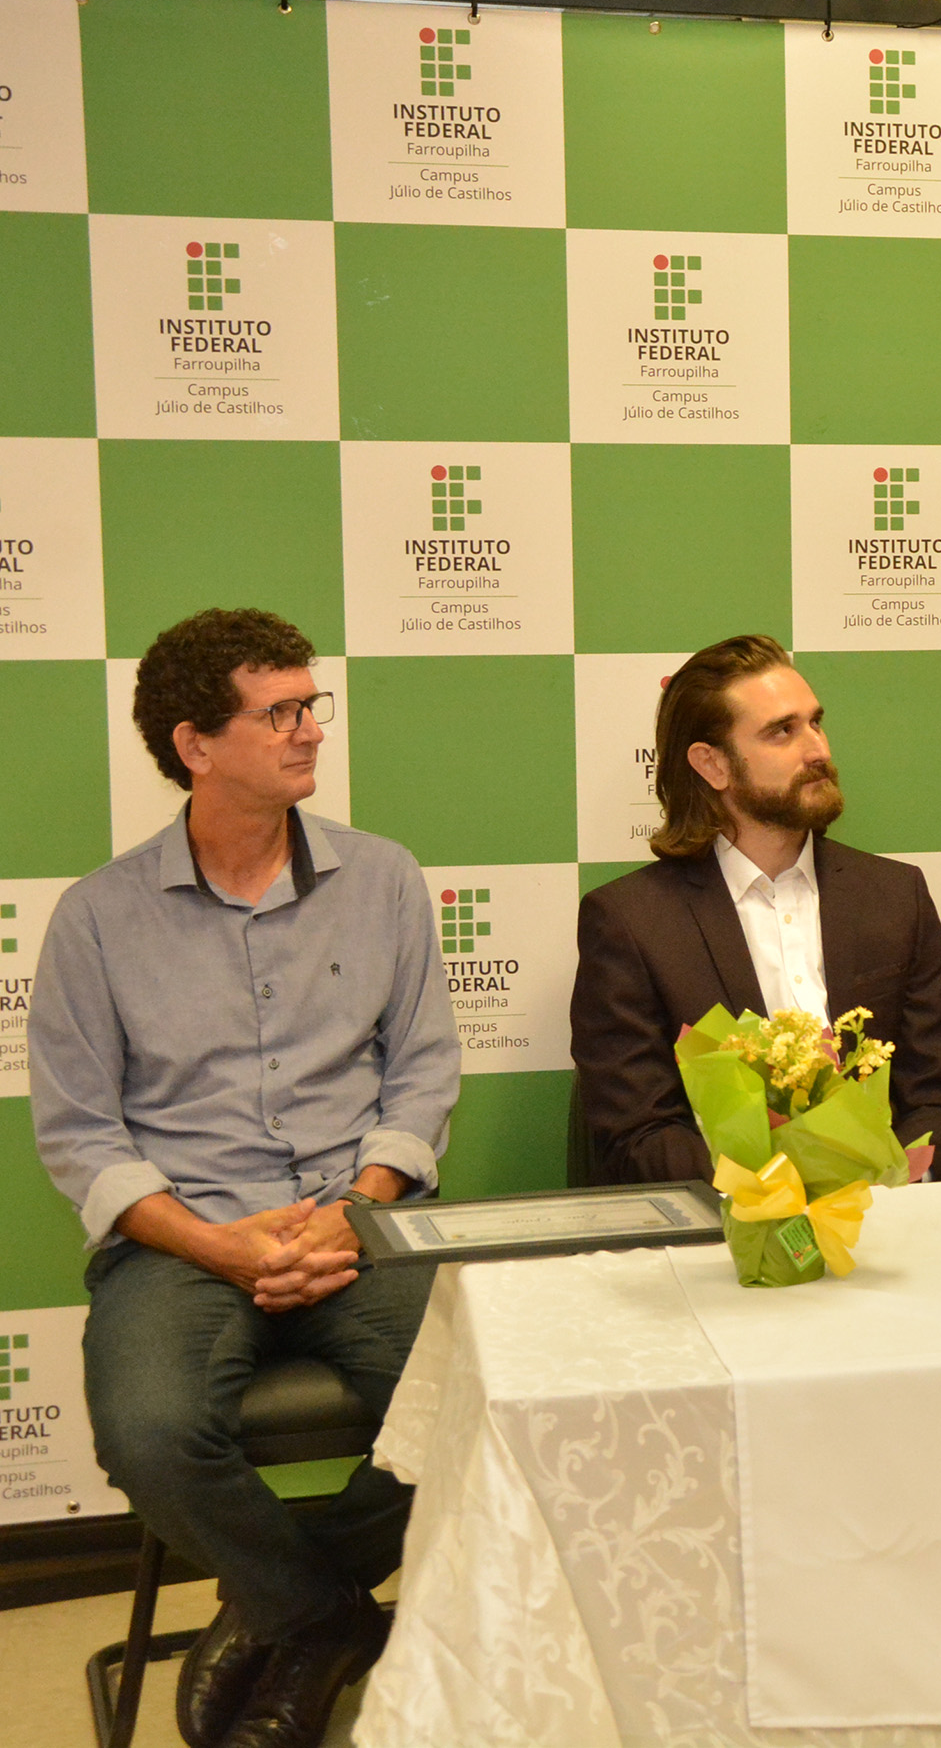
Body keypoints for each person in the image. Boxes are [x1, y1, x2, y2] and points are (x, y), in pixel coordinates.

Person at [29, 608, 458, 1748]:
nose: (311, 729)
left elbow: (422, 1077)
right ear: (195, 744)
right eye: (280, 712)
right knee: (150, 1432)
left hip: (359, 1225)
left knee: (490, 1393)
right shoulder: (97, 918)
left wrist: (356, 1210)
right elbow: (81, 1133)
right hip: (183, 1240)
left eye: (311, 705)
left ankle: (274, 1604)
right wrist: (220, 1244)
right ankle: (323, 1617)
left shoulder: (384, 878)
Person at [571, 635, 941, 1183]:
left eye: (816, 723)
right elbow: (637, 1136)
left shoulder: (895, 896)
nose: (818, 750)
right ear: (713, 764)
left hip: (888, 1215)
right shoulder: (632, 923)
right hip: (725, 1224)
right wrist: (781, 1192)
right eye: (782, 731)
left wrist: (892, 1181)